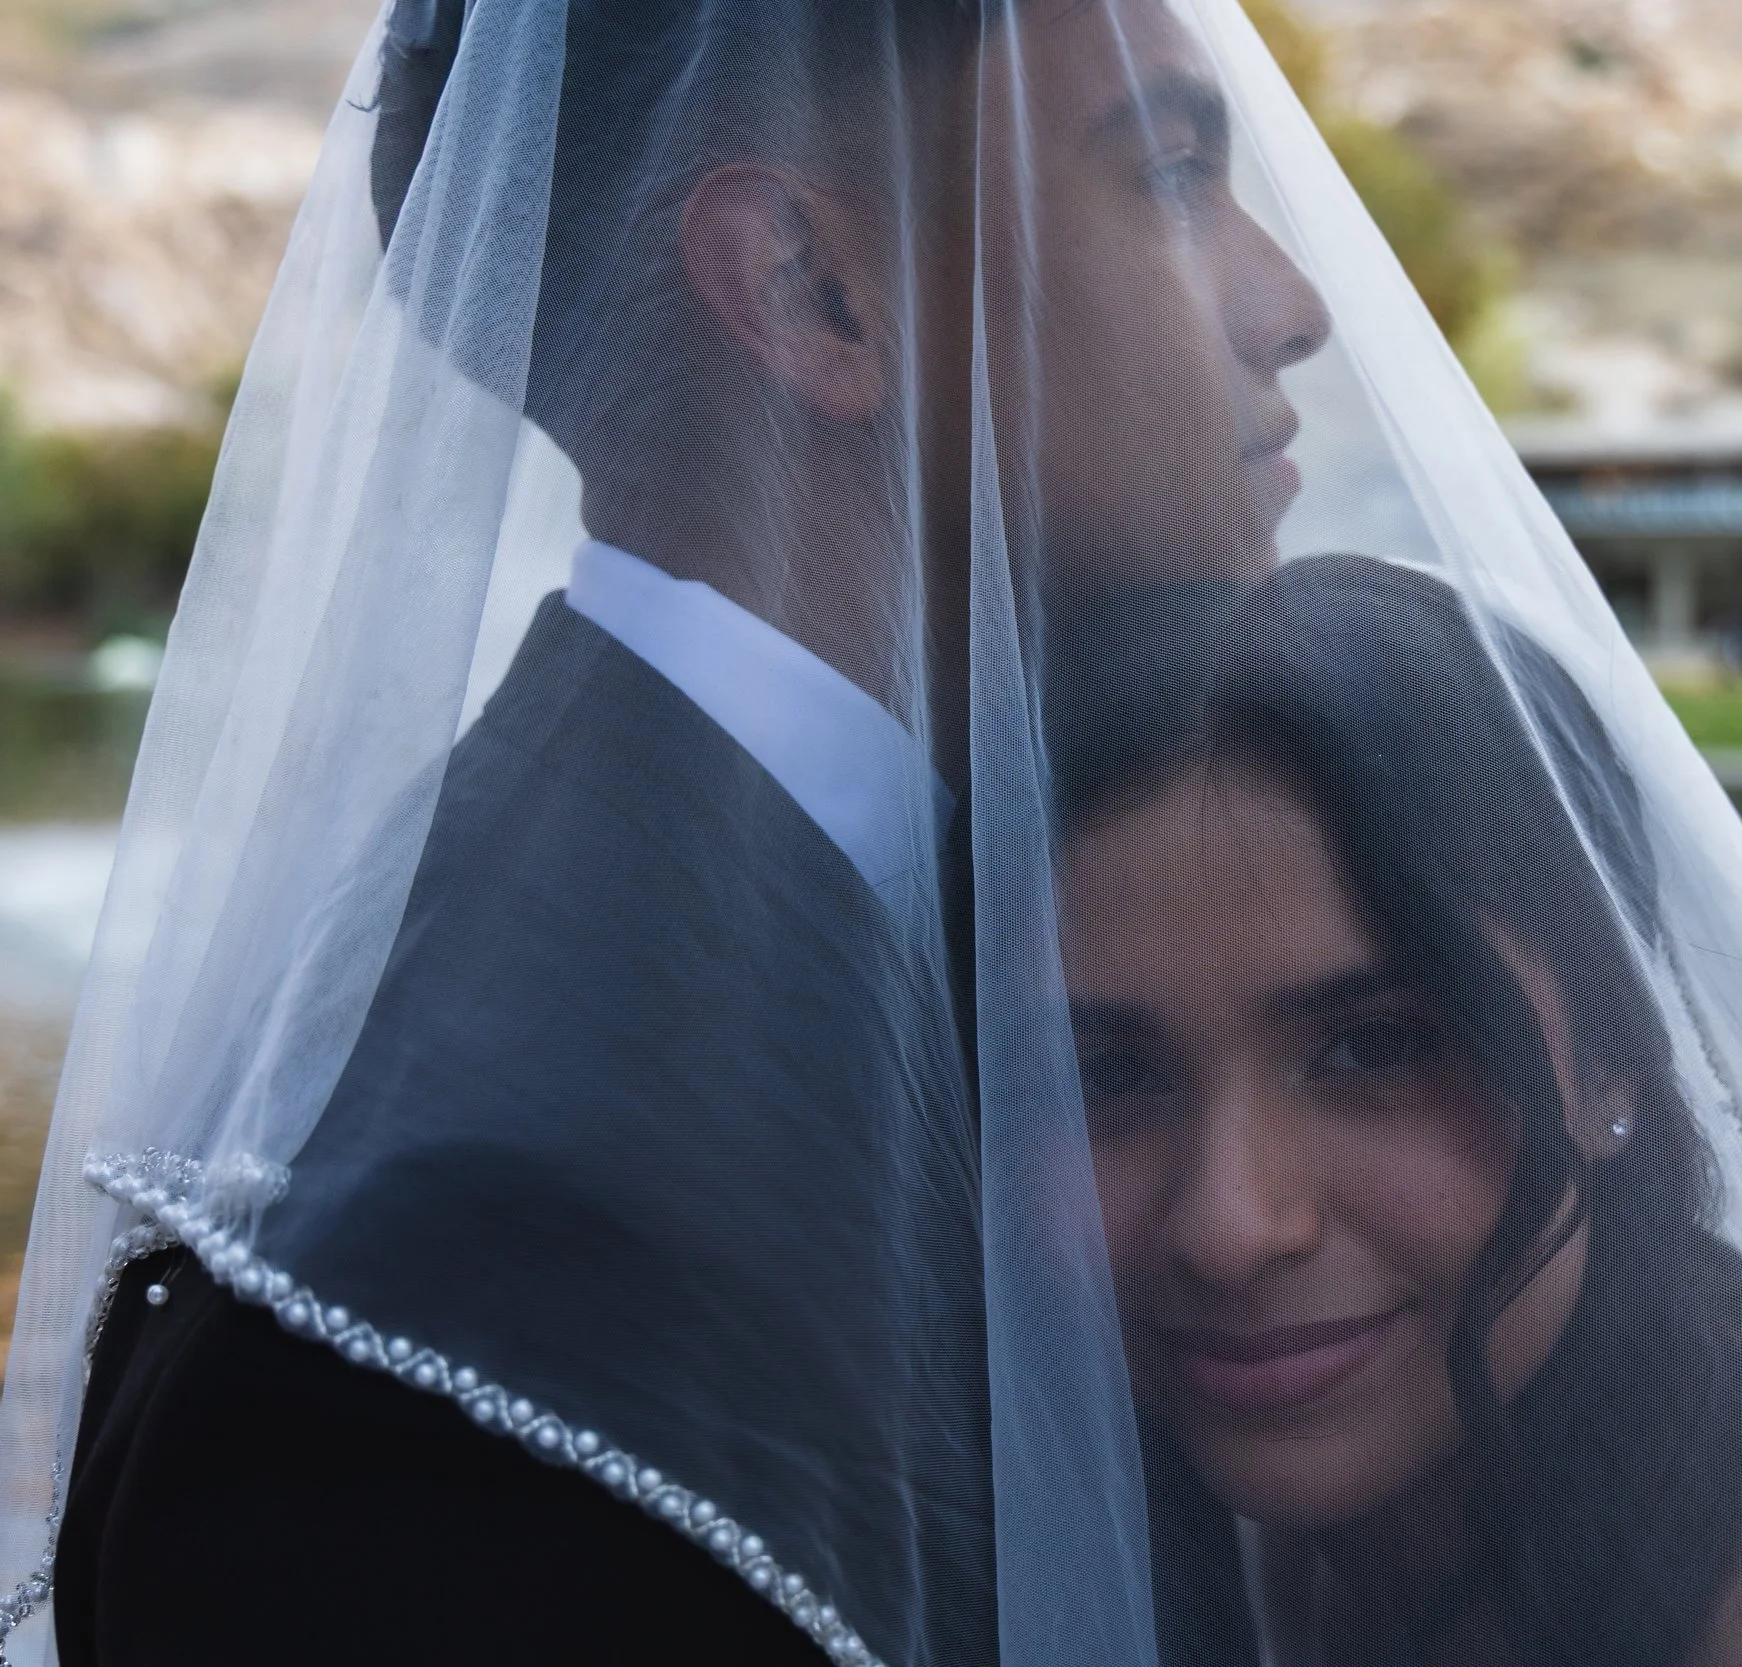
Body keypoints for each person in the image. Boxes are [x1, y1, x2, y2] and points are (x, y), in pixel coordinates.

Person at [20, 0, 1324, 1663]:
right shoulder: (485, 1262)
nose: (1298, 304)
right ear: (807, 291)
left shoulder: (933, 928)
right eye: (1164, 172)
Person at [1049, 556, 1742, 1667]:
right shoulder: (1303, 1521)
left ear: (1615, 1060)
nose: (1227, 1226)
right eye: (1105, 1074)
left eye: (1375, 1046)